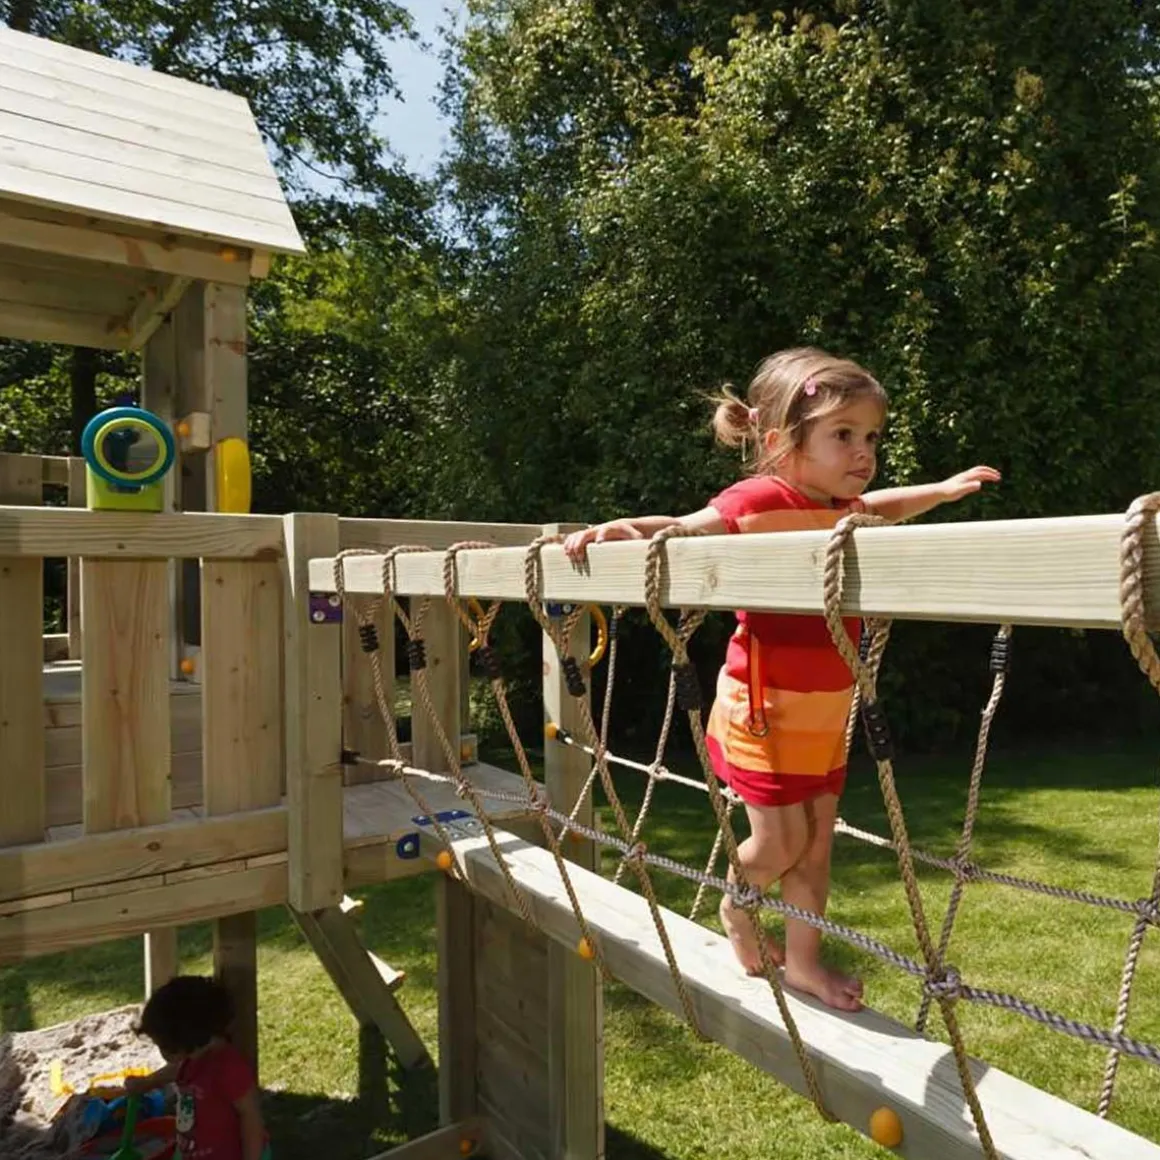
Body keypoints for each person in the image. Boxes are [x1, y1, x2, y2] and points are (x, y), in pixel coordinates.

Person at [563, 346, 999, 1010]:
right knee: (781, 840)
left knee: (816, 850)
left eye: (872, 436)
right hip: (762, 709)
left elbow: (886, 503)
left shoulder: (844, 510)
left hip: (826, 712)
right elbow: (686, 529)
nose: (864, 452)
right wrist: (627, 529)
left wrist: (938, 492)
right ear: (779, 442)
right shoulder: (760, 497)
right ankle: (737, 908)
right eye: (844, 435)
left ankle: (803, 963)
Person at [125, 975, 269, 1160]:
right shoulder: (193, 1057)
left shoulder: (228, 1068)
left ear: (184, 1039)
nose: (161, 1052)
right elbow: (176, 1070)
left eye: (162, 1045)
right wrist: (146, 1082)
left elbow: (251, 1119)